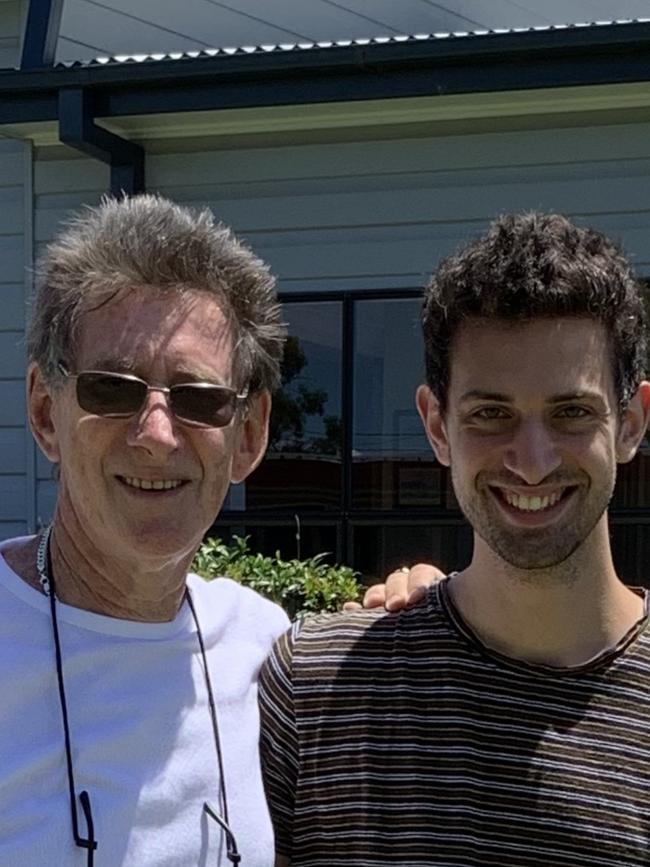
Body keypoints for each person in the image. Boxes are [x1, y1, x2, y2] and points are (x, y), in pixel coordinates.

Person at [258, 212, 650, 867]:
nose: (532, 459)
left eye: (571, 412)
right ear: (437, 426)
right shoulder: (316, 691)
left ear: (632, 421)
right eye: (489, 414)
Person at [0, 194, 292, 866]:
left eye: (198, 399)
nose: (156, 435)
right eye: (113, 389)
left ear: (248, 435)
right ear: (46, 412)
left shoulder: (268, 651)